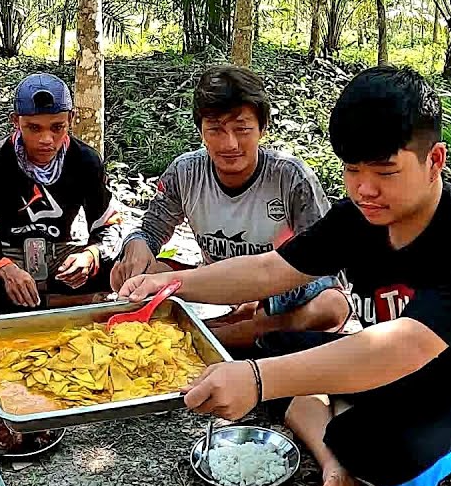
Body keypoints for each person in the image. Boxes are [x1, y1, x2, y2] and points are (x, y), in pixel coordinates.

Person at [119, 66, 451, 486]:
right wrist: (172, 283)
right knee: (270, 346)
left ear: (434, 161)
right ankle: (334, 455)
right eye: (352, 170)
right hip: (375, 363)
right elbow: (270, 270)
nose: (364, 189)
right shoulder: (358, 217)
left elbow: (406, 345)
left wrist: (260, 381)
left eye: (385, 171)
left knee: (382, 460)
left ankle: (327, 414)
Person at [111, 65, 350, 349]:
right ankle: (230, 334)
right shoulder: (185, 172)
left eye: (242, 129)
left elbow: (323, 266)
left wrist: (265, 297)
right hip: (212, 292)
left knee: (331, 304)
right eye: (216, 130)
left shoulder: (291, 177)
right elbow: (150, 230)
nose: (230, 144)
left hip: (274, 297)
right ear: (200, 129)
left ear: (262, 128)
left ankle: (210, 337)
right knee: (146, 273)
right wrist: (137, 246)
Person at [0, 73, 124, 316]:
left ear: (71, 119)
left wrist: (91, 255)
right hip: (7, 253)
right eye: (34, 128)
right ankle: (71, 304)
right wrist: (4, 268)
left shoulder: (86, 160)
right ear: (16, 121)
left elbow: (109, 226)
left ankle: (30, 306)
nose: (47, 140)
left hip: (61, 256)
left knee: (123, 264)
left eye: (58, 127)